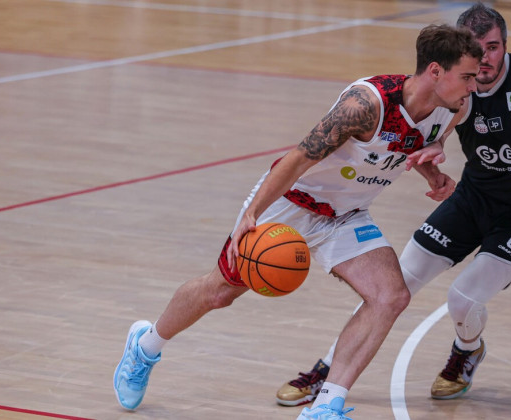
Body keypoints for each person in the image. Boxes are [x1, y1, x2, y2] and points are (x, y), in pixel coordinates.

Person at [112, 24, 485, 419]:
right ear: (435, 71)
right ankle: (145, 346)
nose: (473, 86)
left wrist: (433, 170)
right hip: (291, 204)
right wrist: (252, 213)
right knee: (220, 292)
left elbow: (416, 143)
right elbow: (298, 158)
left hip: (346, 214)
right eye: (466, 76)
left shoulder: (455, 107)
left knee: (390, 296)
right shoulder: (365, 105)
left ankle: (325, 406)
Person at [274, 3, 511, 407]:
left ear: (506, 44)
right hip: (473, 199)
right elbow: (437, 135)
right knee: (395, 283)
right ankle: (326, 369)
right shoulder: (457, 86)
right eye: (477, 49)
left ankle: (467, 350)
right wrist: (436, 153)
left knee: (463, 299)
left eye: (493, 47)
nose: (485, 59)